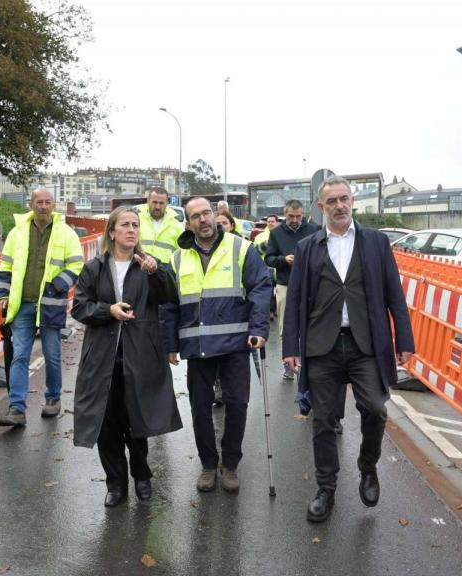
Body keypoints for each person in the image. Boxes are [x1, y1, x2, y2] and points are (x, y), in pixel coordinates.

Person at [282, 175, 415, 523]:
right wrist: (290, 347)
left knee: (375, 409)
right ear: (321, 207)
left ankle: (367, 466)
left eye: (344, 199)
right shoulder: (310, 246)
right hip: (321, 345)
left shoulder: (375, 243)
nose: (339, 206)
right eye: (332, 201)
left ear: (352, 201)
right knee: (324, 420)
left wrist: (405, 341)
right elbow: (294, 300)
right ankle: (326, 488)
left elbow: (394, 296)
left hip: (365, 344)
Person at [72, 207, 183, 507]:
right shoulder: (94, 267)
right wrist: (107, 310)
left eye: (135, 225)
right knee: (107, 426)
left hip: (140, 355)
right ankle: (115, 484)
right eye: (125, 225)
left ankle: (142, 477)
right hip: (102, 359)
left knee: (138, 422)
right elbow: (79, 308)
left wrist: (156, 272)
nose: (131, 230)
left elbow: (170, 295)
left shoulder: (148, 264)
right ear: (112, 231)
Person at [163, 197, 272, 494]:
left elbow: (261, 288)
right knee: (200, 408)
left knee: (237, 405)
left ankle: (231, 464)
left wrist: (259, 328)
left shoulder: (240, 248)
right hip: (198, 348)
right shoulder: (177, 258)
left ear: (215, 215)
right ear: (188, 223)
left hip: (236, 344)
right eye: (196, 216)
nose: (203, 220)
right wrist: (170, 343)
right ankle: (209, 465)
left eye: (207, 213)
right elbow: (169, 305)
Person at [0, 188, 84, 427]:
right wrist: (2, 294)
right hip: (22, 304)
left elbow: (76, 265)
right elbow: (6, 265)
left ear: (54, 205)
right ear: (31, 204)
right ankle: (16, 408)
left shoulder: (66, 233)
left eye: (48, 202)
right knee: (20, 355)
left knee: (52, 355)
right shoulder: (18, 233)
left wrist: (57, 285)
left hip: (50, 304)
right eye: (39, 202)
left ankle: (53, 399)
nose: (44, 206)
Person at [264, 199, 320, 380]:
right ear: (284, 213)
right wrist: (283, 259)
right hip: (285, 284)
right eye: (291, 216)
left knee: (310, 326)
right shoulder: (276, 233)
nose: (295, 220)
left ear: (303, 214)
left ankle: (306, 363)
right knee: (285, 327)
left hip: (309, 285)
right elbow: (269, 258)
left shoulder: (314, 230)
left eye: (298, 216)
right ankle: (287, 364)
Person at [136, 186, 184, 262]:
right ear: (148, 201)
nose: (157, 207)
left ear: (167, 203)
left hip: (165, 272)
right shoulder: (136, 220)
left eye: (161, 203)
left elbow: (182, 255)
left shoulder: (177, 226)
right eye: (154, 202)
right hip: (138, 269)